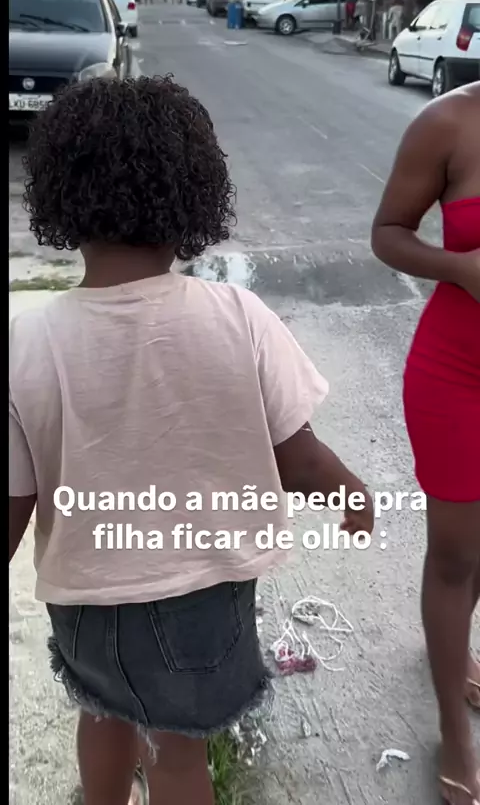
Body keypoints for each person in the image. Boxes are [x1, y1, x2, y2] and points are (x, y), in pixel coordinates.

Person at [9, 75, 374, 805]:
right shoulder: (238, 315)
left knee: (99, 711)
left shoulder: (27, 338)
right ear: (193, 196)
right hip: (203, 592)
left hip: (86, 595)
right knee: (178, 755)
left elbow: (16, 500)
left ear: (60, 199)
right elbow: (297, 455)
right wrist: (352, 494)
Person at [371, 83, 480, 805]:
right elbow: (388, 232)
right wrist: (463, 268)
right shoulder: (449, 121)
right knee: (455, 554)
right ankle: (453, 728)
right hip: (457, 375)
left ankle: (457, 653)